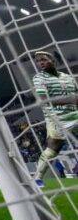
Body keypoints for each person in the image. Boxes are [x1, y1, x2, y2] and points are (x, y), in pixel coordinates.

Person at [31, 50, 78, 188]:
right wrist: (71, 100)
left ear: (53, 60)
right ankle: (37, 178)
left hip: (75, 114)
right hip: (56, 117)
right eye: (38, 61)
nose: (41, 63)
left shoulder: (68, 77)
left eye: (44, 59)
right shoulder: (39, 78)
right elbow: (44, 99)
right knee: (53, 148)